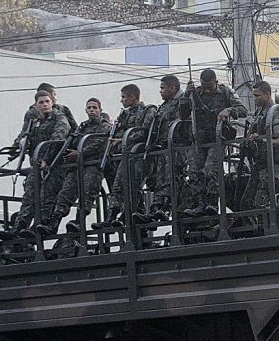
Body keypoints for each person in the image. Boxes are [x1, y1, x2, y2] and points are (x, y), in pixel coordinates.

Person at [0, 90, 71, 240]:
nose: (44, 105)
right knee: (29, 196)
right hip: (36, 165)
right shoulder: (35, 122)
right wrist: (18, 147)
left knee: (46, 197)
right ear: (36, 105)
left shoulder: (59, 118)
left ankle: (40, 225)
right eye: (41, 102)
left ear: (52, 102)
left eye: (47, 101)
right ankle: (18, 227)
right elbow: (24, 136)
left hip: (54, 166)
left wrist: (47, 160)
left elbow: (58, 139)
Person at [35, 98, 111, 235]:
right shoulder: (82, 126)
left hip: (92, 165)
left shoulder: (104, 125)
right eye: (89, 108)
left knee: (87, 194)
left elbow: (100, 142)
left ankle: (79, 222)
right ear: (86, 110)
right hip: (77, 166)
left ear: (100, 109)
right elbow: (73, 141)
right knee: (65, 194)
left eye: (95, 107)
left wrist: (80, 152)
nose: (92, 110)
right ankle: (53, 224)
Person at [179, 68, 248, 217]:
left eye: (209, 87)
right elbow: (183, 114)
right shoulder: (195, 94)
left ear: (215, 82)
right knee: (194, 172)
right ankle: (199, 204)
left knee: (211, 170)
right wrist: (186, 95)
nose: (207, 91)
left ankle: (211, 203)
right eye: (204, 87)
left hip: (217, 139)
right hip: (198, 140)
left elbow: (242, 109)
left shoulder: (225, 92)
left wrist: (228, 111)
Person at [94, 84, 158, 228]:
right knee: (118, 186)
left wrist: (122, 139)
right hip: (127, 155)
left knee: (133, 186)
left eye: (123, 97)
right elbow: (117, 131)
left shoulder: (148, 110)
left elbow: (144, 132)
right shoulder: (126, 114)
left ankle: (126, 215)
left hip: (142, 155)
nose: (121, 100)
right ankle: (111, 216)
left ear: (133, 97)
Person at [134, 75, 185, 223]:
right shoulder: (165, 105)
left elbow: (186, 114)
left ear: (172, 88)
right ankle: (156, 209)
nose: (160, 91)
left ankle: (166, 207)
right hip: (163, 146)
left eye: (163, 88)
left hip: (177, 146)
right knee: (160, 179)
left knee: (171, 177)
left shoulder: (182, 100)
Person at [239, 80, 279, 212]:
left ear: (267, 94)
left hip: (272, 168)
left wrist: (262, 141)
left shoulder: (275, 112)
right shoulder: (260, 113)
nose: (254, 99)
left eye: (257, 96)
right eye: (253, 96)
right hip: (260, 166)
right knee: (246, 202)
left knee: (261, 205)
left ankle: (266, 230)